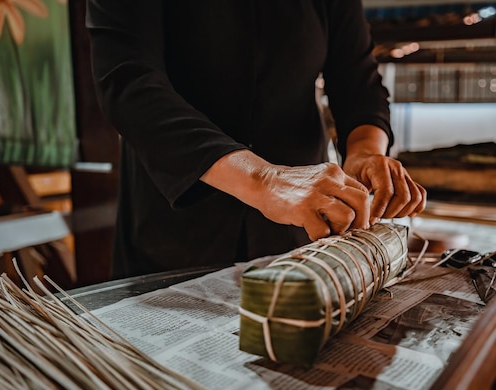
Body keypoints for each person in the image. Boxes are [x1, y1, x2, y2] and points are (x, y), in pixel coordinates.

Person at [86, 0, 426, 279]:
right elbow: (129, 84)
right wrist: (264, 179)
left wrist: (365, 153)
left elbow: (358, 83)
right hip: (174, 231)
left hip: (298, 229)